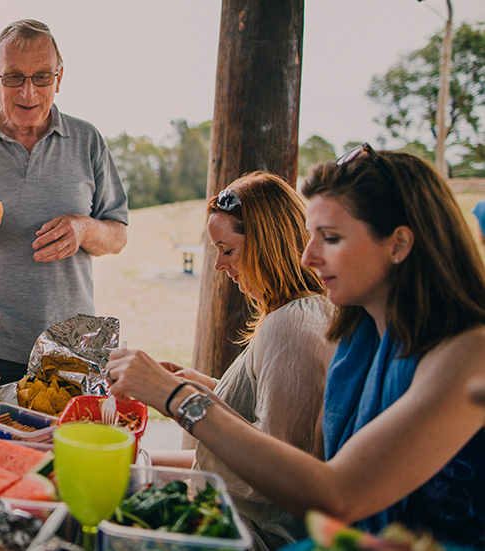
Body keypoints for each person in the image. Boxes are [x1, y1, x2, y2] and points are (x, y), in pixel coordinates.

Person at [108, 146, 485, 547]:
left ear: (398, 244)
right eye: (311, 237)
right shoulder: (365, 339)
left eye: (332, 238)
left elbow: (337, 493)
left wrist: (177, 397)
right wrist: (205, 393)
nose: (307, 257)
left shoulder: (468, 354)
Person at [0, 19, 128, 382]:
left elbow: (117, 235)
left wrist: (83, 228)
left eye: (42, 78)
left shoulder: (88, 140)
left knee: (67, 440)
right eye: (14, 77)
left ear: (59, 79)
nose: (28, 93)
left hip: (76, 346)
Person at [148, 171, 335, 551]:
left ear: (268, 243)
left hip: (246, 534)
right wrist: (207, 390)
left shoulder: (292, 326)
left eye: (227, 249)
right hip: (223, 514)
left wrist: (180, 399)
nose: (219, 265)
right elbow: (265, 417)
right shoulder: (294, 313)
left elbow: (272, 468)